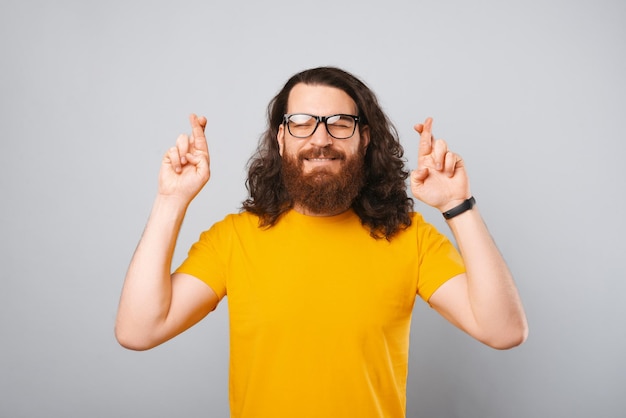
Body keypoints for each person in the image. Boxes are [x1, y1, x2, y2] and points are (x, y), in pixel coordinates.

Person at [115, 66, 528, 418]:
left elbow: (503, 331)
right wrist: (171, 201)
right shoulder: (234, 238)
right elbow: (139, 330)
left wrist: (458, 204)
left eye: (339, 123)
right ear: (281, 139)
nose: (320, 138)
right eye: (301, 122)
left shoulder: (409, 237)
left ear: (364, 139)